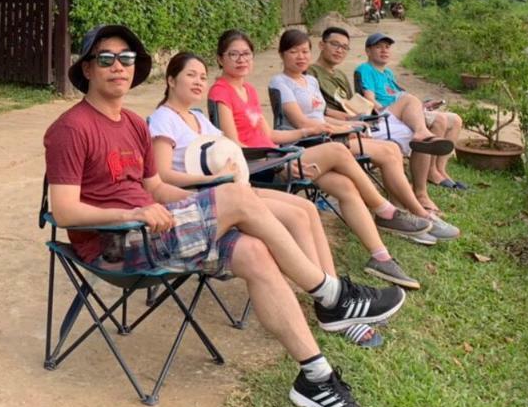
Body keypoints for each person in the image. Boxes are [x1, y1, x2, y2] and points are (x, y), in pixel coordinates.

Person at [46, 25, 405, 407]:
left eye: (126, 59)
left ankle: (316, 378)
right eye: (105, 59)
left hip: (154, 232)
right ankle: (331, 296)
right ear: (87, 69)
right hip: (114, 243)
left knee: (253, 249)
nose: (118, 67)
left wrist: (201, 194)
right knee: (238, 199)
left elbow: (155, 187)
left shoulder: (132, 123)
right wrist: (142, 214)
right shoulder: (71, 128)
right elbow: (66, 211)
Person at [148, 52, 420, 320]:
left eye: (202, 77)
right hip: (205, 199)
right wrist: (214, 179)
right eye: (190, 75)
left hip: (232, 186)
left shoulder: (198, 118)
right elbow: (162, 174)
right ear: (171, 80)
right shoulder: (164, 118)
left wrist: (277, 160)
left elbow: (232, 153)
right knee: (297, 214)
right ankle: (333, 300)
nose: (198, 81)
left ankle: (335, 296)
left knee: (307, 209)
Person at [207, 29, 453, 247]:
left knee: (347, 186)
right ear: (220, 58)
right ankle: (395, 211)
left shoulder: (249, 89)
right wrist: (292, 149)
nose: (242, 60)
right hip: (267, 164)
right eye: (234, 55)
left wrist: (321, 128)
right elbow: (235, 147)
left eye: (246, 54)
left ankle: (381, 257)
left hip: (285, 152)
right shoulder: (225, 91)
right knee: (343, 151)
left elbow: (269, 134)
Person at [310, 26, 468, 193]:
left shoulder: (344, 74)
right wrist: (355, 120)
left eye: (344, 47)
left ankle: (434, 175)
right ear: (321, 45)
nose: (339, 50)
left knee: (424, 112)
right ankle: (425, 181)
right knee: (426, 119)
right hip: (353, 125)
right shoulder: (313, 74)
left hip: (365, 120)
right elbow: (322, 111)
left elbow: (353, 103)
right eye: (335, 44)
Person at [356, 33, 469, 211]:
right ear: (368, 51)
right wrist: (390, 107)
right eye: (379, 47)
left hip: (404, 110)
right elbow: (370, 100)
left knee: (455, 119)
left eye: (387, 47)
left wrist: (421, 106)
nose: (384, 50)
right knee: (437, 120)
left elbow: (398, 95)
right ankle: (430, 172)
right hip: (387, 114)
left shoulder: (387, 73)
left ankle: (440, 169)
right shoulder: (365, 69)